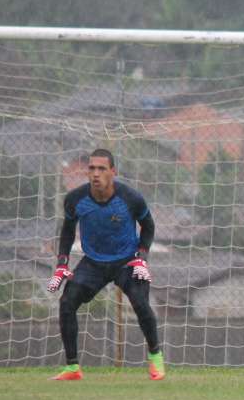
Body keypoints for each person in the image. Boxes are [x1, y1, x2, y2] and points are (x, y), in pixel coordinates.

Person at [46, 148, 164, 381]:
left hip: (127, 261)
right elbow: (68, 230)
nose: (95, 174)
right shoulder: (74, 199)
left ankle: (156, 358)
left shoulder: (131, 198)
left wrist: (142, 257)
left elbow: (148, 227)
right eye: (91, 168)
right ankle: (72, 368)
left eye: (101, 169)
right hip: (93, 262)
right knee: (67, 302)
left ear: (113, 172)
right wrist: (62, 263)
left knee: (141, 303)